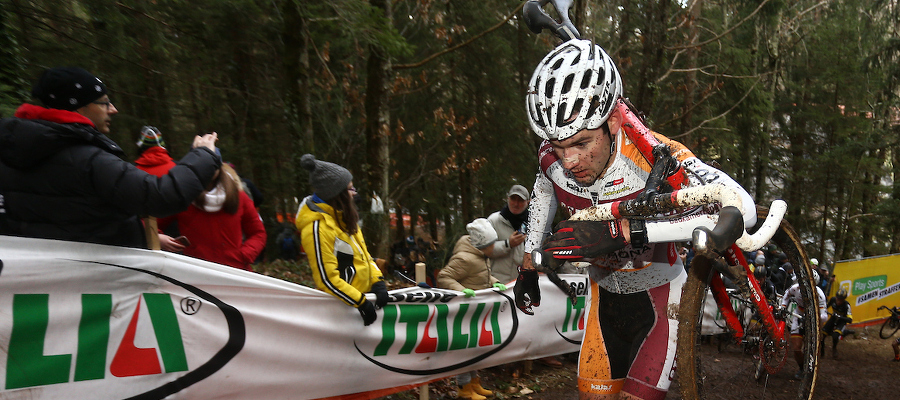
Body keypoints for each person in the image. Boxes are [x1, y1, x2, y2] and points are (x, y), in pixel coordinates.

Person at [517, 39, 757, 400]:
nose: (568, 160)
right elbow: (544, 190)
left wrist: (626, 231)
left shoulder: (654, 157)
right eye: (558, 144)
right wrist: (526, 268)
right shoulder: (552, 158)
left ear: (613, 122)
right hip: (603, 300)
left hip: (661, 302)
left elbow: (742, 205)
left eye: (582, 144)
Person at [0, 67, 220, 248]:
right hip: (100, 286)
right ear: (78, 107)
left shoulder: (12, 154)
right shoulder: (88, 159)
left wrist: (144, 235)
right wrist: (203, 155)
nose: (113, 109)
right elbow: (160, 196)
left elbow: (75, 220)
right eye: (104, 102)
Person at [294, 154, 388, 326]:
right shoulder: (316, 228)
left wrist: (377, 281)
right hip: (340, 314)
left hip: (361, 304)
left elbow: (365, 256)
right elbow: (326, 279)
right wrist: (360, 302)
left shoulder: (346, 218)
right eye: (351, 189)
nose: (355, 193)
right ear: (338, 194)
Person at [437, 218, 507, 400]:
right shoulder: (464, 259)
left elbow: (484, 274)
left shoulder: (482, 256)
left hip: (476, 312)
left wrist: (495, 282)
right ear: (483, 244)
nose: (494, 247)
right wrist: (462, 291)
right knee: (464, 350)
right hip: (463, 312)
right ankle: (464, 387)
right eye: (492, 244)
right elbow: (444, 277)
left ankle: (474, 382)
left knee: (475, 349)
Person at [157, 163, 266, 271]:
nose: (208, 167)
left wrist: (244, 255)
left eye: (211, 162)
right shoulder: (182, 198)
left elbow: (258, 233)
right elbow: (148, 222)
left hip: (236, 273)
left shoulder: (239, 196)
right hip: (196, 273)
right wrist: (159, 238)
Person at [780, 270, 827, 379]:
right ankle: (802, 368)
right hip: (799, 315)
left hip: (813, 320)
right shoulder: (795, 288)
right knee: (796, 348)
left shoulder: (820, 295)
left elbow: (824, 317)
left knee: (810, 348)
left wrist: (812, 318)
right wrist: (783, 307)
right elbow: (786, 295)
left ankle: (812, 366)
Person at [487, 184, 530, 284]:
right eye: (513, 199)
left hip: (524, 284)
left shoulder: (535, 224)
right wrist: (508, 244)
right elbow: (484, 251)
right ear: (507, 199)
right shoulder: (494, 220)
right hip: (498, 283)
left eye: (520, 200)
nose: (516, 204)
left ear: (528, 202)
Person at [821, 288, 853, 359]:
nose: (838, 301)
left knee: (835, 336)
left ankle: (834, 348)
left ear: (844, 300)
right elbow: (825, 307)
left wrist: (840, 317)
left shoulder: (846, 305)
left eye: (841, 300)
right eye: (838, 299)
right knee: (822, 335)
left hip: (841, 321)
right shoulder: (832, 300)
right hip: (833, 318)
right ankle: (821, 352)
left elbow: (850, 319)